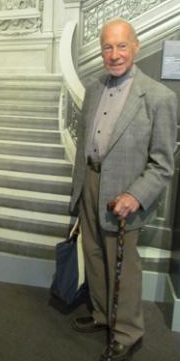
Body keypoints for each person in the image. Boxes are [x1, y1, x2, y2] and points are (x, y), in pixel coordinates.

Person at [69, 18, 177, 361]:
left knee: (124, 267)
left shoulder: (160, 97)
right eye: (107, 47)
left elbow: (163, 163)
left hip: (125, 195)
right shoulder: (93, 88)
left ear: (136, 46)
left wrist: (136, 195)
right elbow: (86, 142)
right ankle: (104, 315)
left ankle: (128, 332)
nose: (114, 55)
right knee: (94, 255)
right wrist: (79, 190)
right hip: (90, 182)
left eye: (121, 46)